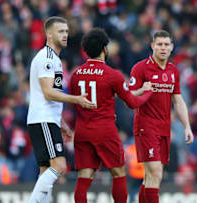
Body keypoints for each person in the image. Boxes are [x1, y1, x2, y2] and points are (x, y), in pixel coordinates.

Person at [69, 28, 153, 203]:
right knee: (118, 173)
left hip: (83, 130)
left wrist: (137, 91)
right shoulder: (112, 75)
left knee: (84, 177)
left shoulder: (75, 75)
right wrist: (147, 93)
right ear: (105, 49)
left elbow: (103, 94)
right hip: (104, 130)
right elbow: (131, 102)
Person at [26, 16, 96, 203]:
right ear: (49, 34)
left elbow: (49, 95)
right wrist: (77, 100)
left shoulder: (54, 59)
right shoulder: (47, 58)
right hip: (43, 120)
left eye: (66, 31)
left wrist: (61, 122)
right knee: (60, 165)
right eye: (60, 31)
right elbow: (49, 93)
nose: (65, 35)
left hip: (47, 119)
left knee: (45, 171)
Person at [128, 30, 194, 203]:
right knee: (156, 172)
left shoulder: (173, 71)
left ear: (172, 47)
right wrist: (142, 89)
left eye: (166, 45)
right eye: (159, 44)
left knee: (151, 177)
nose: (163, 48)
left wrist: (187, 126)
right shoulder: (140, 68)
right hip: (145, 126)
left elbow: (178, 101)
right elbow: (128, 96)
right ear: (152, 46)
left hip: (164, 128)